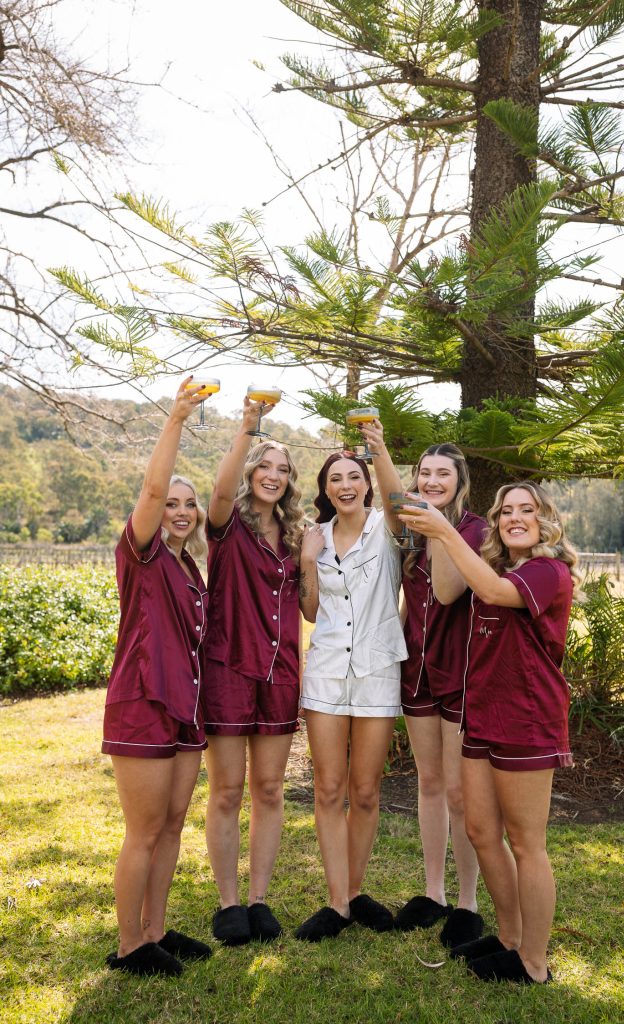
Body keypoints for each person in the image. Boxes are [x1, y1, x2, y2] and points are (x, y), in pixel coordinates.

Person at [399, 482, 580, 984]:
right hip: (480, 714)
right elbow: (459, 587)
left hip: (527, 720)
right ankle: (508, 938)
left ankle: (535, 963)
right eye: (506, 511)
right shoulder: (497, 566)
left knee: (526, 843)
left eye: (528, 510)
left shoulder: (549, 572)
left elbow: (493, 593)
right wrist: (440, 535)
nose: (515, 518)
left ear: (546, 521)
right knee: (480, 832)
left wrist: (442, 529)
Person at [360, 422, 485, 947]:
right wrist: (380, 450)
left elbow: (450, 590)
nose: (433, 481)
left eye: (443, 475)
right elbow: (391, 505)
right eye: (426, 474)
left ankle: (467, 901)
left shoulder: (474, 529)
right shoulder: (410, 522)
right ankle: (433, 892)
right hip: (418, 670)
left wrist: (439, 530)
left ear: (460, 483)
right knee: (429, 784)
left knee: (460, 792)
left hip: (459, 674)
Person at [103, 377, 212, 977]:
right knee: (143, 830)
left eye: (186, 504)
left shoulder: (187, 561)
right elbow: (150, 484)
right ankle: (127, 948)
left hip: (184, 707)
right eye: (170, 503)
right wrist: (176, 417)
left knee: (171, 823)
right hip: (143, 702)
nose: (178, 510)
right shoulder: (140, 551)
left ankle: (156, 930)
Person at [203, 395, 304, 946]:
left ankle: (260, 898)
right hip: (228, 669)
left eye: (282, 469)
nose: (272, 474)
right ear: (249, 472)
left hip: (281, 673)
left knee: (268, 789)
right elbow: (217, 492)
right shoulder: (226, 525)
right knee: (226, 790)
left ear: (290, 481)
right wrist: (247, 428)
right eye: (264, 465)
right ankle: (228, 902)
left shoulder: (295, 535)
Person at [295, 451, 408, 942]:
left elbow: (398, 497)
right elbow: (310, 611)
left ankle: (356, 891)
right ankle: (336, 902)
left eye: (353, 477)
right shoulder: (315, 537)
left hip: (378, 671)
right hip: (324, 673)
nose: (344, 485)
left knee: (365, 791)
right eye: (334, 479)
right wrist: (305, 558)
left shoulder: (388, 528)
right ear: (325, 488)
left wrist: (377, 448)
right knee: (328, 789)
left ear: (367, 484)